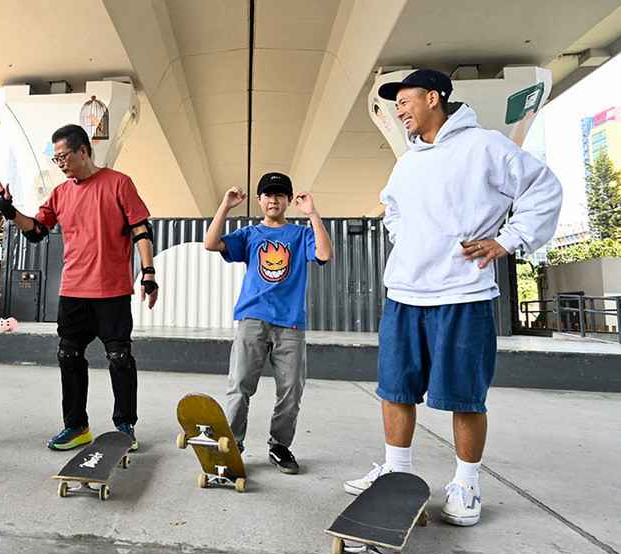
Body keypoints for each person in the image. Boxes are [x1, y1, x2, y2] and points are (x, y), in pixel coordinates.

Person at [344, 69, 562, 526]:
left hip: (463, 294)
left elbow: (543, 188)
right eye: (395, 104)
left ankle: (465, 482)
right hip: (405, 293)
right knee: (395, 389)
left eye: (404, 102)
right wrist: (409, 240)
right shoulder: (407, 161)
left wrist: (509, 240)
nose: (399, 111)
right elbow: (394, 209)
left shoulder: (485, 146)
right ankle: (396, 473)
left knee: (464, 397)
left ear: (433, 98)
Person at [0, 124, 158, 451]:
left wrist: (148, 272)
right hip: (73, 290)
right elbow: (36, 231)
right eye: (56, 159)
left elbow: (141, 229)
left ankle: (125, 425)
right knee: (69, 354)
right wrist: (8, 209)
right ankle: (76, 426)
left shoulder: (118, 183)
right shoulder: (61, 193)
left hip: (112, 290)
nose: (60, 163)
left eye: (64, 156)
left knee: (120, 356)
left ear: (83, 151)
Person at [204, 172, 332, 474]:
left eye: (280, 195)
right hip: (253, 318)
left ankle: (279, 446)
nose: (273, 199)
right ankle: (232, 444)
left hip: (290, 324)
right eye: (268, 194)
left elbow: (325, 253)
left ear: (288, 200)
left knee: (291, 390)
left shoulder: (301, 235)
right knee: (240, 385)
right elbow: (211, 243)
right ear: (260, 200)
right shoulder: (249, 234)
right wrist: (225, 205)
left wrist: (312, 213)